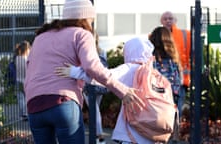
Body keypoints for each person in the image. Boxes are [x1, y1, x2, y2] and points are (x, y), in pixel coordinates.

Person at [24, 0, 142, 144]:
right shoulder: (81, 34)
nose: (91, 23)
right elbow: (92, 67)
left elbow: (29, 67)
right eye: (92, 19)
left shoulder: (40, 37)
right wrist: (122, 90)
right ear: (85, 17)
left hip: (34, 104)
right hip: (62, 101)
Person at [55, 37, 156, 144]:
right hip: (153, 130)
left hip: (133, 131)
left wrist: (74, 72)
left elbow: (103, 77)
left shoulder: (129, 69)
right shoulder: (153, 72)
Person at [160, 11, 191, 118]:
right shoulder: (155, 35)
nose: (168, 21)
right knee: (163, 109)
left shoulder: (186, 35)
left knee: (177, 109)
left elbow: (194, 55)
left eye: (170, 18)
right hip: (162, 80)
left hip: (181, 80)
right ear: (161, 21)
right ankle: (167, 132)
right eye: (165, 19)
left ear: (175, 20)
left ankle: (175, 132)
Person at [82, 32, 108, 144]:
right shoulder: (102, 52)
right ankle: (98, 136)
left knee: (94, 110)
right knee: (96, 109)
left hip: (88, 85)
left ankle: (99, 135)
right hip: (101, 84)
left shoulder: (84, 52)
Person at [149, 26, 182, 105]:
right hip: (169, 101)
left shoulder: (149, 60)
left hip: (152, 100)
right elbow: (176, 83)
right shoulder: (173, 61)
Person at [14, 40, 30, 120]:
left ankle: (22, 114)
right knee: (27, 98)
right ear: (26, 49)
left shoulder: (17, 58)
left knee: (20, 98)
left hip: (18, 80)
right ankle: (26, 113)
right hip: (26, 81)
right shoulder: (26, 60)